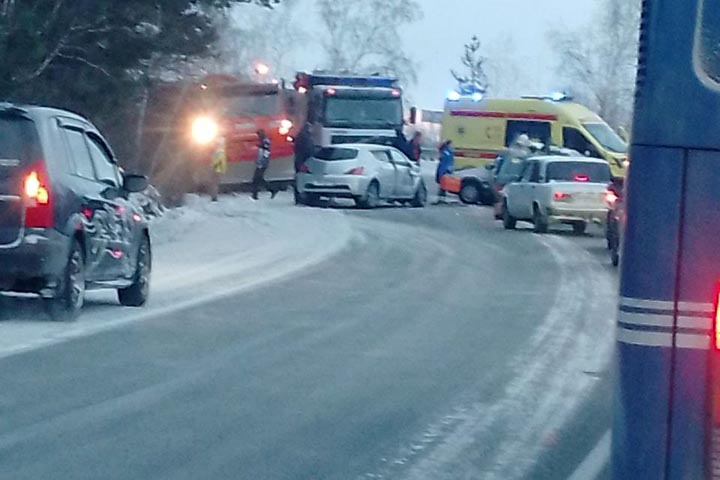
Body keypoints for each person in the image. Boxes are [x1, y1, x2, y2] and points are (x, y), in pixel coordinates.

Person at [252, 129, 277, 200]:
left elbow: (266, 152)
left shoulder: (265, 141)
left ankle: (256, 194)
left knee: (257, 178)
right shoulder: (263, 141)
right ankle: (256, 194)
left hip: (262, 163)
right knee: (258, 179)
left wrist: (261, 163)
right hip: (261, 162)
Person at [210, 136, 227, 202]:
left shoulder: (218, 151)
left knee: (214, 184)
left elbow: (218, 161)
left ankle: (214, 197)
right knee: (215, 184)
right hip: (218, 169)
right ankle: (214, 196)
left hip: (216, 169)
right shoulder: (221, 151)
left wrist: (213, 165)